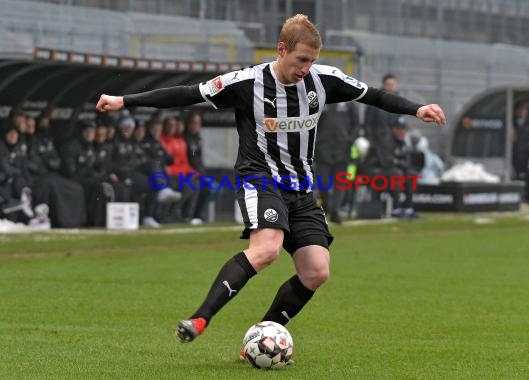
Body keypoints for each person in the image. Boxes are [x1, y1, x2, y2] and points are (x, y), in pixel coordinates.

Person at [96, 14, 445, 356]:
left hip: (301, 188)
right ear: (281, 49)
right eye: (301, 60)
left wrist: (418, 109)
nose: (306, 68)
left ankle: (259, 340)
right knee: (267, 249)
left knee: (316, 271)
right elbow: (187, 94)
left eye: (312, 61)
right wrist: (125, 101)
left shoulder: (323, 81)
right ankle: (201, 318)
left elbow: (374, 96)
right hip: (259, 177)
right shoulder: (246, 83)